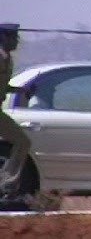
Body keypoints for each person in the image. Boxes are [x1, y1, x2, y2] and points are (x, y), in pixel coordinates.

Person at [0, 23, 31, 198]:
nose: (16, 42)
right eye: (13, 37)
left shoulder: (7, 59)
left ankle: (6, 182)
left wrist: (19, 90)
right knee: (22, 142)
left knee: (22, 142)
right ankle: (7, 182)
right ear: (3, 38)